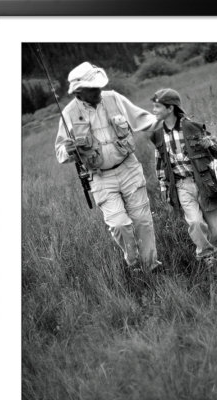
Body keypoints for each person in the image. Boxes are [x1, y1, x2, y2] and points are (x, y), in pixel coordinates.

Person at [55, 62, 162, 272]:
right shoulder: (68, 114)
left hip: (128, 168)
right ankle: (134, 266)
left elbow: (142, 119)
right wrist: (68, 150)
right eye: (92, 88)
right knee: (119, 225)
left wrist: (169, 119)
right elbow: (59, 153)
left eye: (99, 86)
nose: (98, 91)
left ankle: (151, 266)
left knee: (142, 220)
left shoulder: (113, 98)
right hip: (100, 177)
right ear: (79, 91)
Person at [148, 88, 217, 268]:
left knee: (214, 228)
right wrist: (165, 189)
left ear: (170, 108)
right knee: (195, 222)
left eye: (157, 107)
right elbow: (160, 164)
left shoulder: (192, 127)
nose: (153, 111)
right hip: (181, 185)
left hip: (205, 182)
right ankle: (206, 258)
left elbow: (214, 151)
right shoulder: (157, 135)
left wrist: (210, 143)